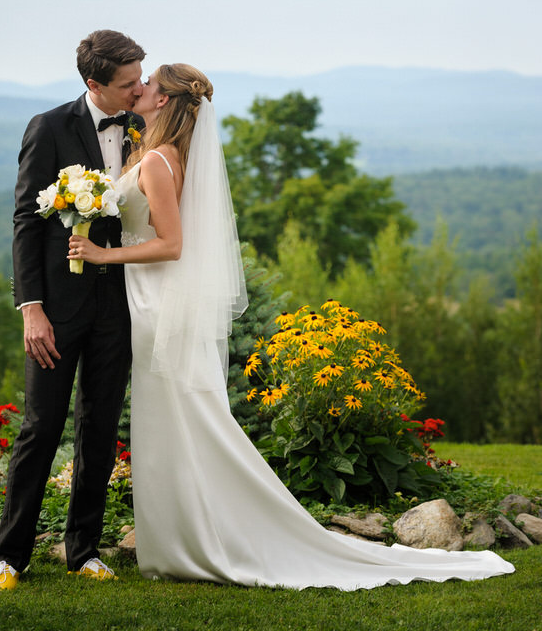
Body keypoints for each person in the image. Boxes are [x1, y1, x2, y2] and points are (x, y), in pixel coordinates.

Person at [67, 62, 515, 591]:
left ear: (165, 101)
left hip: (158, 306)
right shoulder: (151, 151)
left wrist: (101, 254)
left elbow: (173, 245)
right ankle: (181, 537)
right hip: (142, 301)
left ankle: (202, 541)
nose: (140, 90)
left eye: (149, 86)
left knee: (185, 419)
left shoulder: (163, 162)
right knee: (170, 422)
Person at [0, 30, 146, 590]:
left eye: (140, 78)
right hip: (55, 308)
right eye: (128, 83)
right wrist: (31, 307)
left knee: (100, 428)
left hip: (120, 305)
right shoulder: (49, 127)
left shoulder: (142, 127)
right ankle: (10, 554)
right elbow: (27, 222)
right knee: (41, 426)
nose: (139, 89)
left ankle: (83, 549)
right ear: (93, 84)